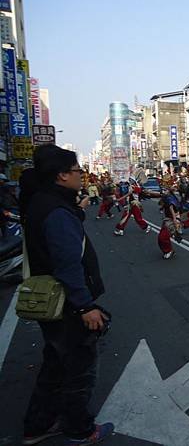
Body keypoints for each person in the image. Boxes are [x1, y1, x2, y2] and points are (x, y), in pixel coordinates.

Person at [20, 145, 113, 445]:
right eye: (77, 171)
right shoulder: (57, 211)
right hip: (67, 305)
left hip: (51, 299)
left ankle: (38, 425)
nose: (81, 176)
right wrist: (85, 306)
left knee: (56, 364)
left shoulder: (41, 203)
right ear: (61, 176)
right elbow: (67, 263)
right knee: (79, 369)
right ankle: (79, 429)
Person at [157, 183, 181, 259]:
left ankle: (169, 250)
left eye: (165, 189)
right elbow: (160, 203)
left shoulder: (170, 199)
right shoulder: (166, 197)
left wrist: (175, 223)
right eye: (163, 189)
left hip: (171, 220)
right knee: (162, 237)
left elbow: (172, 212)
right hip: (167, 219)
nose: (163, 191)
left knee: (162, 237)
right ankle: (168, 250)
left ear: (169, 190)